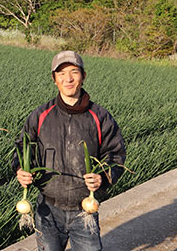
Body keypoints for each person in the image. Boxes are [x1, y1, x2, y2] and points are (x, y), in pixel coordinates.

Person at [13, 51, 126, 251]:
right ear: (54, 79)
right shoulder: (40, 115)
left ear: (83, 76)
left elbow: (116, 155)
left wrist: (104, 177)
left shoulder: (100, 117)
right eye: (62, 73)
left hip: (85, 210)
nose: (68, 78)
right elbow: (21, 148)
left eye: (74, 72)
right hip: (47, 209)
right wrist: (20, 170)